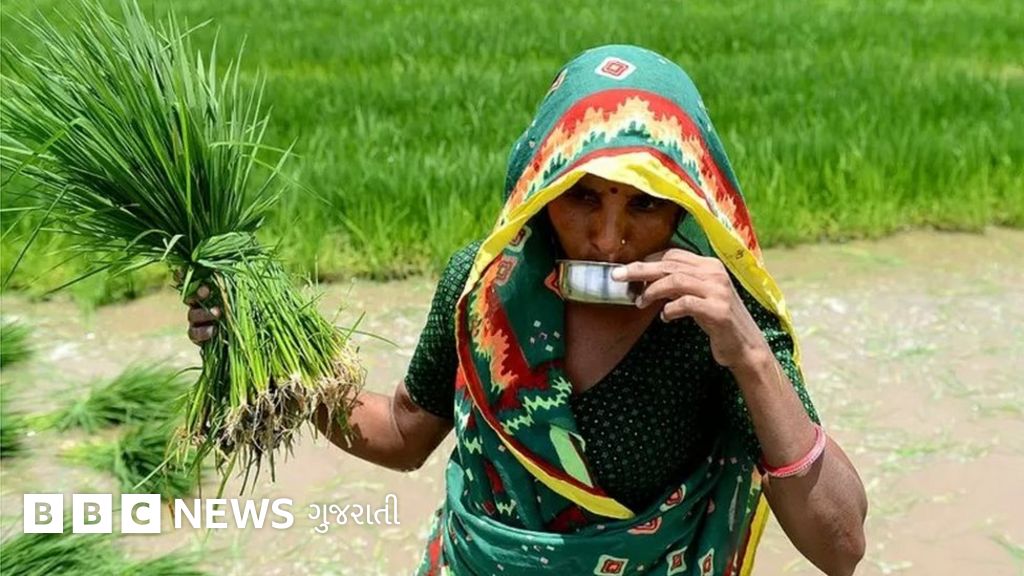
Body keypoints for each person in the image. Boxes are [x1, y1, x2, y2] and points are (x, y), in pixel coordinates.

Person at [187, 45, 867, 575]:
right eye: (584, 198)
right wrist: (268, 351)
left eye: (644, 205)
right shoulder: (484, 288)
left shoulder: (712, 323)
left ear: (688, 203)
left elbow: (841, 546)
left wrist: (749, 354)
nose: (608, 238)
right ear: (542, 188)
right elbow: (402, 431)